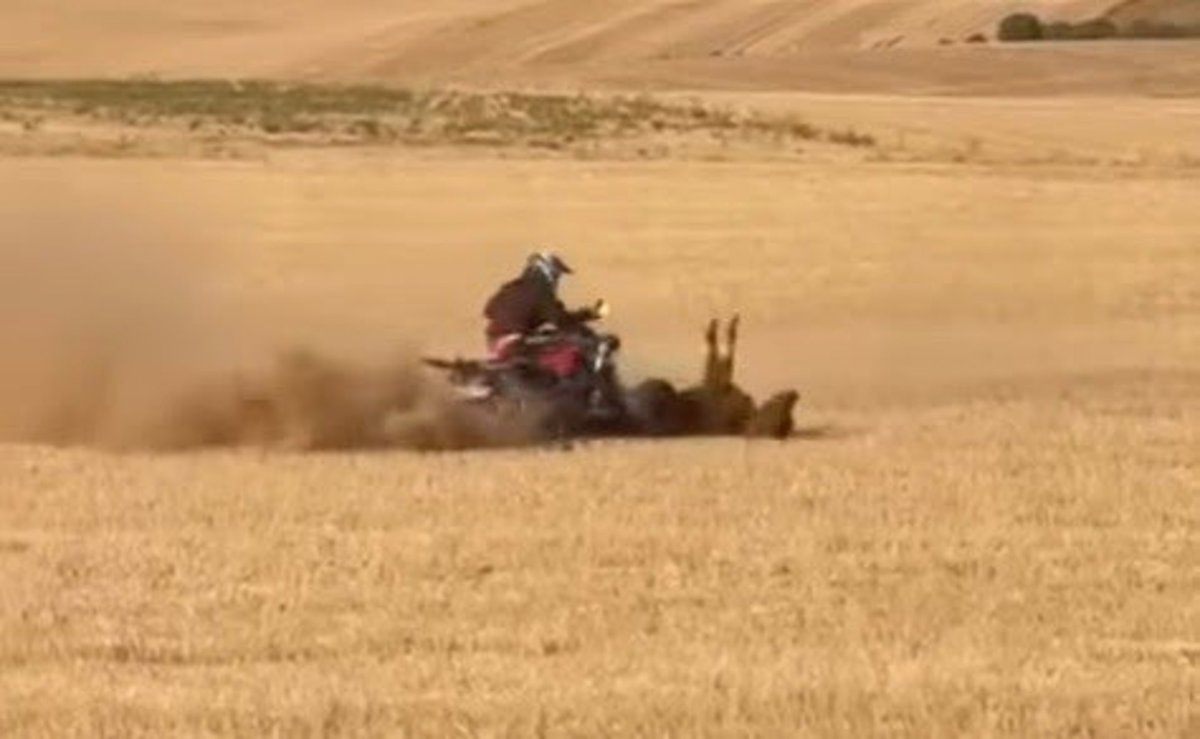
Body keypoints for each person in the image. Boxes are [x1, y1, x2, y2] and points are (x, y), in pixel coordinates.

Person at [482, 251, 603, 371]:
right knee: (567, 354)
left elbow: (488, 310)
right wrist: (587, 314)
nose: (557, 278)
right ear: (547, 271)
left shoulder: (510, 287)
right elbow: (560, 319)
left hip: (494, 342)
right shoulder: (541, 291)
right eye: (557, 274)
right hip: (517, 344)